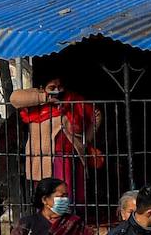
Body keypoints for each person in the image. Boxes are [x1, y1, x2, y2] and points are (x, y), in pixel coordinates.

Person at [12, 76, 100, 210]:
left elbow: (96, 114)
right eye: (52, 88)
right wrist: (45, 97)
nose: (57, 91)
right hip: (42, 157)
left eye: (60, 87)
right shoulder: (35, 102)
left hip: (68, 155)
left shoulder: (72, 100)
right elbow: (14, 99)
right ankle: (47, 222)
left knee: (65, 192)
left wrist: (86, 138)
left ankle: (67, 220)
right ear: (43, 87)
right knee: (46, 192)